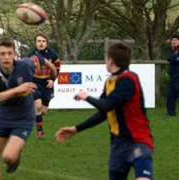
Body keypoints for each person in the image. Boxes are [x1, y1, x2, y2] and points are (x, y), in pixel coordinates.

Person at [56, 42, 154, 180]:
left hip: (138, 140)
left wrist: (87, 97)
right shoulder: (110, 81)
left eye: (106, 58)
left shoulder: (129, 80)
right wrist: (76, 129)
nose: (105, 61)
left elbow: (106, 105)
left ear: (111, 60)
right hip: (118, 144)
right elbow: (104, 113)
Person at [0, 38, 36, 180]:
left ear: (15, 54)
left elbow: (42, 64)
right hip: (3, 118)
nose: (6, 57)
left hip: (24, 118)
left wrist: (43, 97)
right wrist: (16, 90)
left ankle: (16, 154)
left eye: (9, 53)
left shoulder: (25, 66)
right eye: (2, 54)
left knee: (8, 157)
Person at [27, 33, 60, 139]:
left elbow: (57, 68)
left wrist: (52, 79)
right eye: (39, 41)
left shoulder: (52, 54)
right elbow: (26, 69)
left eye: (43, 41)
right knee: (38, 106)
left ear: (47, 43)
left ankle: (33, 116)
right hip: (35, 82)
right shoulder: (31, 54)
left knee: (43, 111)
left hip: (47, 84)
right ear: (35, 43)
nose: (41, 43)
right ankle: (40, 132)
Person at [166, 34, 179, 116]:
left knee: (174, 93)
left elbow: (172, 59)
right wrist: (174, 58)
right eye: (172, 40)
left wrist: (173, 58)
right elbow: (169, 58)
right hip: (173, 76)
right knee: (171, 94)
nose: (173, 42)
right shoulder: (172, 50)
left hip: (178, 76)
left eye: (175, 40)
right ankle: (171, 112)